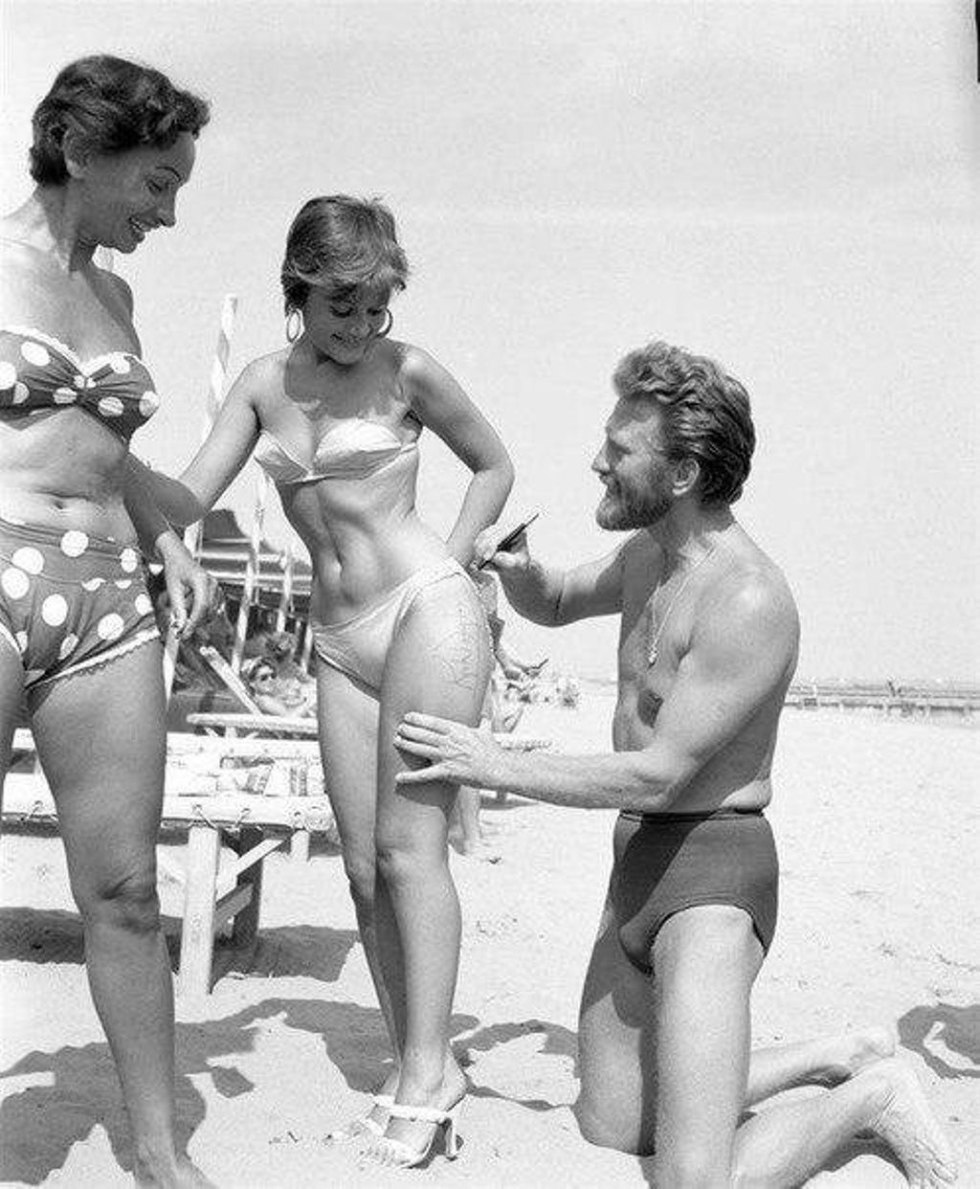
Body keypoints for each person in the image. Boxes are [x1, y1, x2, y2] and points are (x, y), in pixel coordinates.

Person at [394, 340, 957, 1187]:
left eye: (620, 452)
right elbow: (552, 600)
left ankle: (870, 1098)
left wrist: (489, 760)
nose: (597, 461)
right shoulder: (645, 556)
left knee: (693, 1179)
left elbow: (660, 773)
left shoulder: (749, 597)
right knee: (610, 1121)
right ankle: (840, 1052)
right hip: (637, 858)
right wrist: (517, 572)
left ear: (686, 472)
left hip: (713, 874)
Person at [136, 195, 513, 1167]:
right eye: (339, 305)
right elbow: (187, 491)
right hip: (337, 637)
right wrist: (130, 498)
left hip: (425, 609)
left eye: (373, 306)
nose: (358, 326)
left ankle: (430, 1074)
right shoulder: (263, 385)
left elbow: (492, 465)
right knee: (357, 863)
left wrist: (460, 559)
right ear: (297, 289)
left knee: (410, 851)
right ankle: (411, 1056)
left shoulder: (407, 372)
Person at [0, 57, 214, 1188]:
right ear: (83, 152)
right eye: (158, 182)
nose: (167, 213)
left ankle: (158, 1150)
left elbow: (106, 444)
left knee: (128, 890)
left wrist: (169, 531)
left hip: (105, 598)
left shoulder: (115, 297)